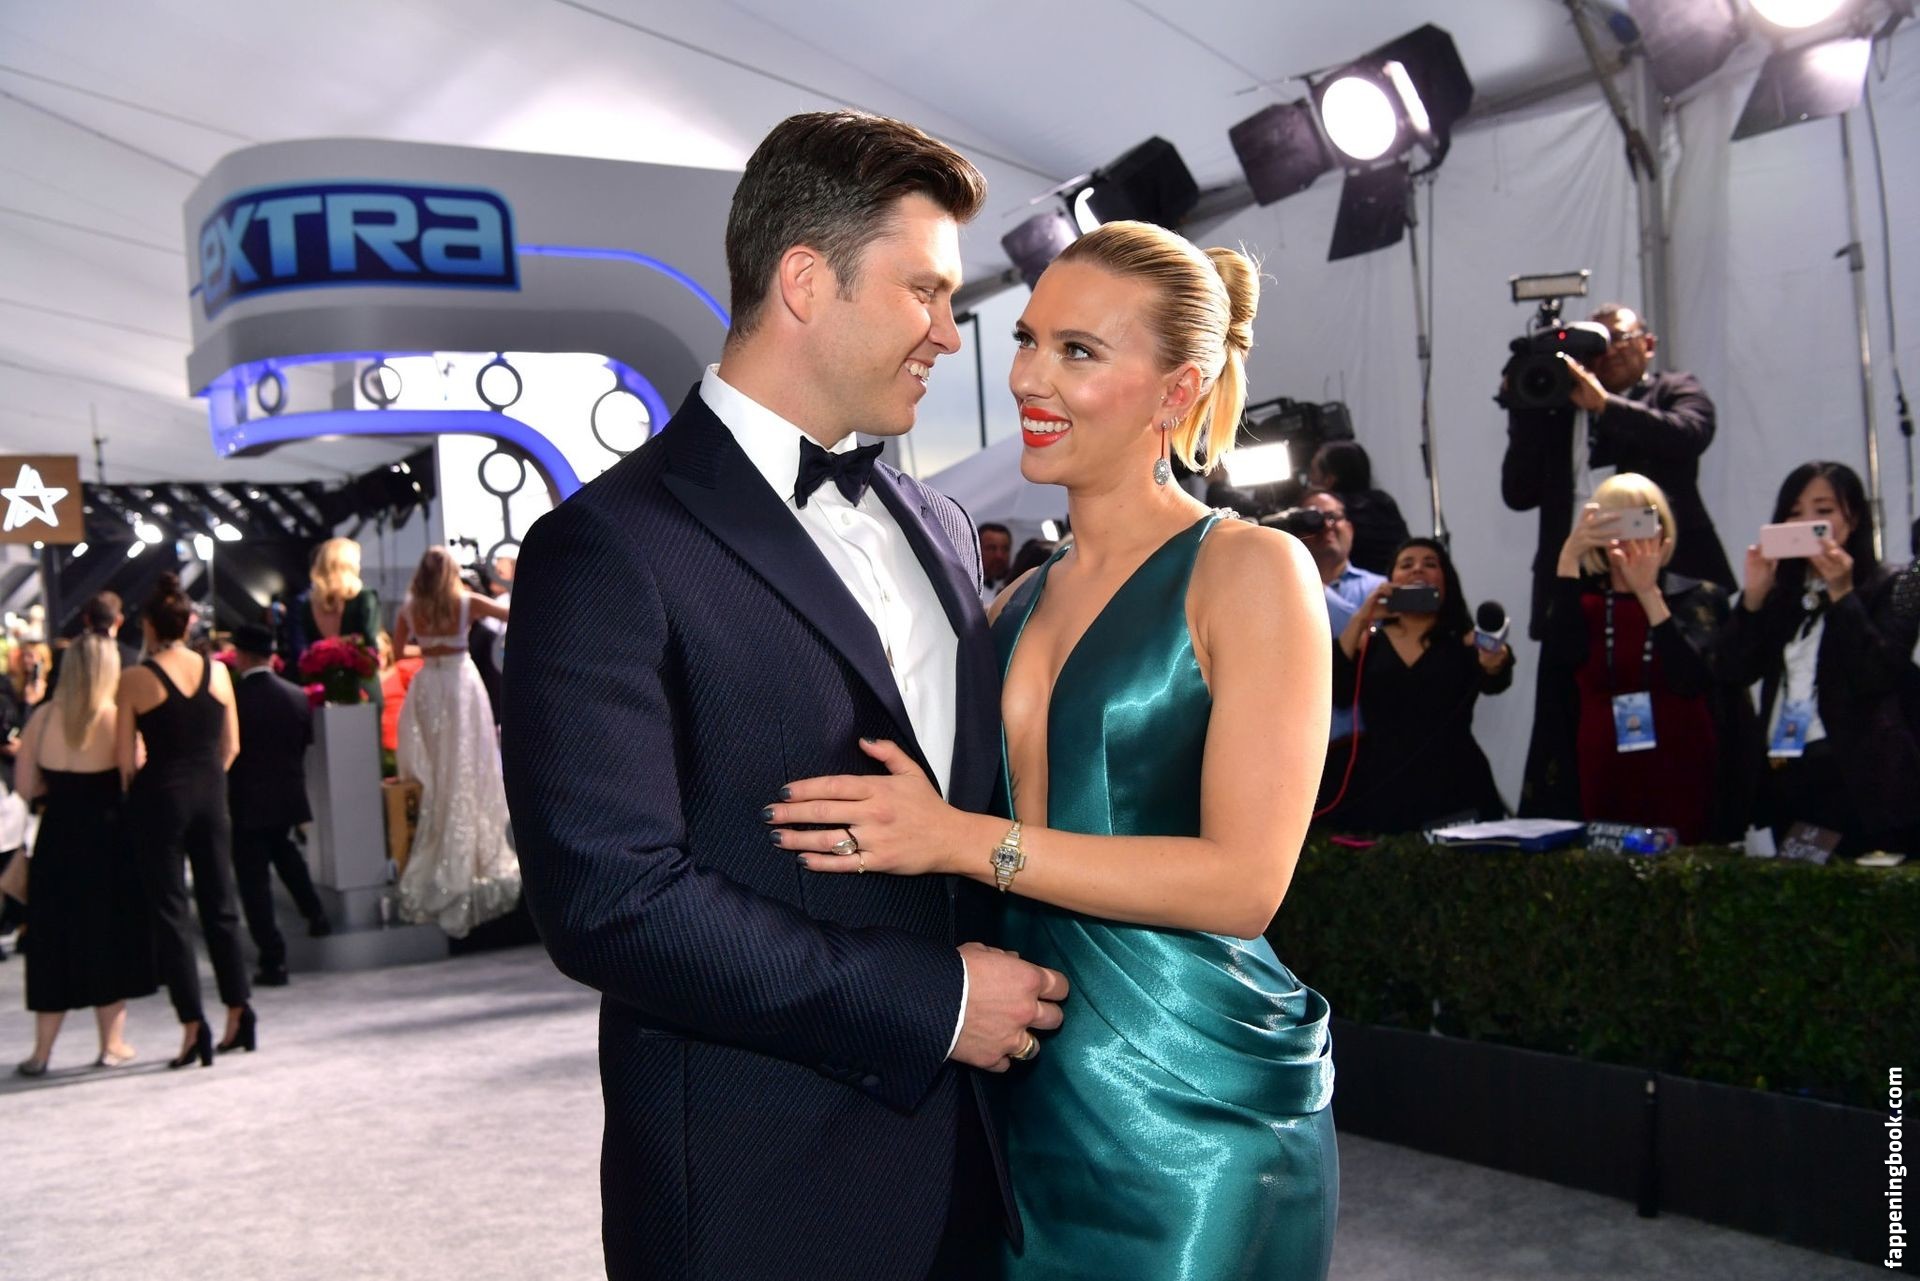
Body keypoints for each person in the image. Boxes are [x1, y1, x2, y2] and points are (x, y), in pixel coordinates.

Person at [503, 111, 1063, 1281]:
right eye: (924, 291)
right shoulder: (607, 546)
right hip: (763, 1196)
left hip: (975, 1171)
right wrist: (933, 1002)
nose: (949, 332)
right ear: (806, 281)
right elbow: (609, 897)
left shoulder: (938, 522)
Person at [772, 220, 1338, 1279]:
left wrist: (960, 839)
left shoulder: (1250, 570)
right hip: (1020, 1081)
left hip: (1191, 1105)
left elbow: (1245, 886)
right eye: (1029, 340)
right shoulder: (1014, 599)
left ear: (1176, 391)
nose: (1030, 377)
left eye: (1078, 350)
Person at [1500, 303, 1734, 641]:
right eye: (1596, 344)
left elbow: (1690, 434)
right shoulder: (1559, 414)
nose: (1607, 352)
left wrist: (1606, 406)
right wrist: (1524, 407)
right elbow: (1518, 493)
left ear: (1648, 344)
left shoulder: (1672, 390)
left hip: (1669, 579)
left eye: (1618, 338)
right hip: (1579, 581)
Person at [1720, 462, 1920, 856]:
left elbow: (1876, 673)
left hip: (1861, 780)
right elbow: (1731, 670)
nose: (1807, 523)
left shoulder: (1897, 584)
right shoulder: (1784, 595)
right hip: (1788, 772)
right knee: (1798, 887)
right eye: (1794, 513)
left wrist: (1842, 594)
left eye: (1823, 510)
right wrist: (1752, 599)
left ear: (1853, 517)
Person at [1527, 474, 1726, 842]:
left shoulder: (1698, 597)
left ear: (1661, 529)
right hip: (1601, 766)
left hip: (1679, 764)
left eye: (1640, 521)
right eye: (1613, 522)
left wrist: (1647, 592)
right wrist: (1569, 559)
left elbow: (1692, 678)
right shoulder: (1583, 604)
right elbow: (1560, 662)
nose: (1627, 535)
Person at [116, 574, 252, 1068]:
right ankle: (240, 1012)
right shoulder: (218, 672)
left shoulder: (136, 679)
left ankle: (194, 1026)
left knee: (172, 915)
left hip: (161, 798)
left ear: (149, 626)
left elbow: (125, 762)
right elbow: (232, 746)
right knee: (221, 906)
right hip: (211, 794)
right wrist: (206, 778)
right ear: (188, 623)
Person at [12, 634, 152, 1074]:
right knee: (108, 937)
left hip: (56, 840)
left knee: (51, 942)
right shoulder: (116, 718)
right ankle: (112, 1044)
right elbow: (135, 774)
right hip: (107, 841)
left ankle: (41, 1052)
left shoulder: (42, 718)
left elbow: (26, 787)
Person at [1323, 538, 1512, 832]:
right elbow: (1338, 693)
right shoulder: (1368, 643)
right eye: (1406, 565)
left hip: (1457, 784)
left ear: (1446, 581)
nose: (1417, 570)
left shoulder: (1464, 641)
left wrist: (1495, 661)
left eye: (1430, 564)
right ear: (1390, 581)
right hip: (1384, 785)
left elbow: (1496, 678)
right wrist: (1362, 617)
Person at [391, 547, 519, 938]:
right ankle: (474, 852)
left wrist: (431, 647)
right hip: (461, 686)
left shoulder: (409, 608)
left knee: (436, 770)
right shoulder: (467, 603)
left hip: (428, 687)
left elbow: (397, 652)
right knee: (469, 764)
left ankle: (437, 844)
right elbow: (515, 615)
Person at [227, 623, 330, 987]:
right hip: (287, 795)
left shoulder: (233, 700)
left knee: (254, 882)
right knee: (286, 855)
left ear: (241, 656)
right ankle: (315, 914)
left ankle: (273, 959)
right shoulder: (297, 697)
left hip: (246, 801)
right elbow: (303, 744)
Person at [1294, 489, 1385, 750]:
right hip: (1308, 746)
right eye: (1314, 518)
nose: (1326, 526)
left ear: (1351, 528)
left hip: (1371, 741)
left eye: (1333, 516)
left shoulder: (1379, 588)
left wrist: (1314, 587)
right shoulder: (1282, 594)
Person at [1309, 440, 1409, 576]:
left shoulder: (1332, 512)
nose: (1310, 479)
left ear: (1330, 479)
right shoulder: (1384, 501)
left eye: (1313, 472)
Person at [44, 591, 141, 702]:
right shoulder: (133, 660)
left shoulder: (64, 657)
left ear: (87, 619)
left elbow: (52, 697)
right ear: (119, 620)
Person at [978, 521, 1013, 604]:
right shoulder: (966, 586)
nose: (999, 555)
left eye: (1005, 549)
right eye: (991, 548)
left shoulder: (1020, 585)